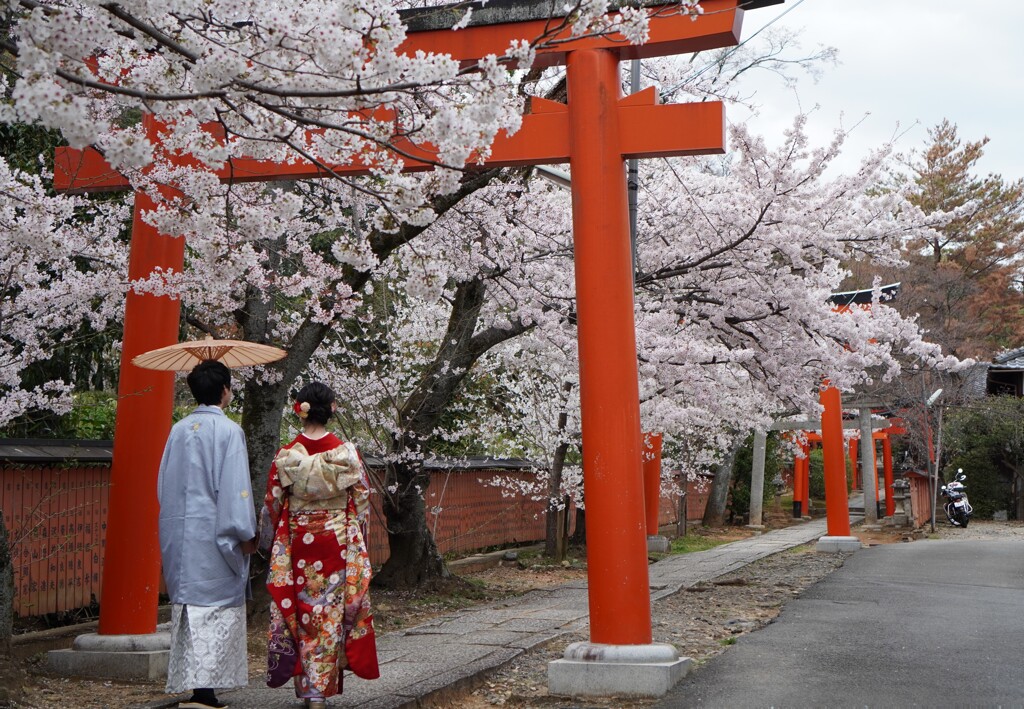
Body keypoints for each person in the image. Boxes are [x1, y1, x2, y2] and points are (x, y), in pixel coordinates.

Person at [263, 382, 380, 709]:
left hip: (299, 542)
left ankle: (309, 690)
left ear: (300, 410)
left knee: (301, 612)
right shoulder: (346, 454)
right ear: (331, 410)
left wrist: (270, 538)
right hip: (337, 542)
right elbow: (362, 498)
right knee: (329, 613)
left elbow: (272, 504)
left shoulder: (287, 455)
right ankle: (319, 691)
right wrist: (356, 532)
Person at [157, 359, 257, 709]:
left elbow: (163, 484)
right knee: (214, 612)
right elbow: (234, 489)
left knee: (190, 612)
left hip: (181, 533)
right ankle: (205, 693)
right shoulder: (229, 432)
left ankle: (198, 690)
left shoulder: (178, 430)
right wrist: (244, 531)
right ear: (226, 390)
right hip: (215, 532)